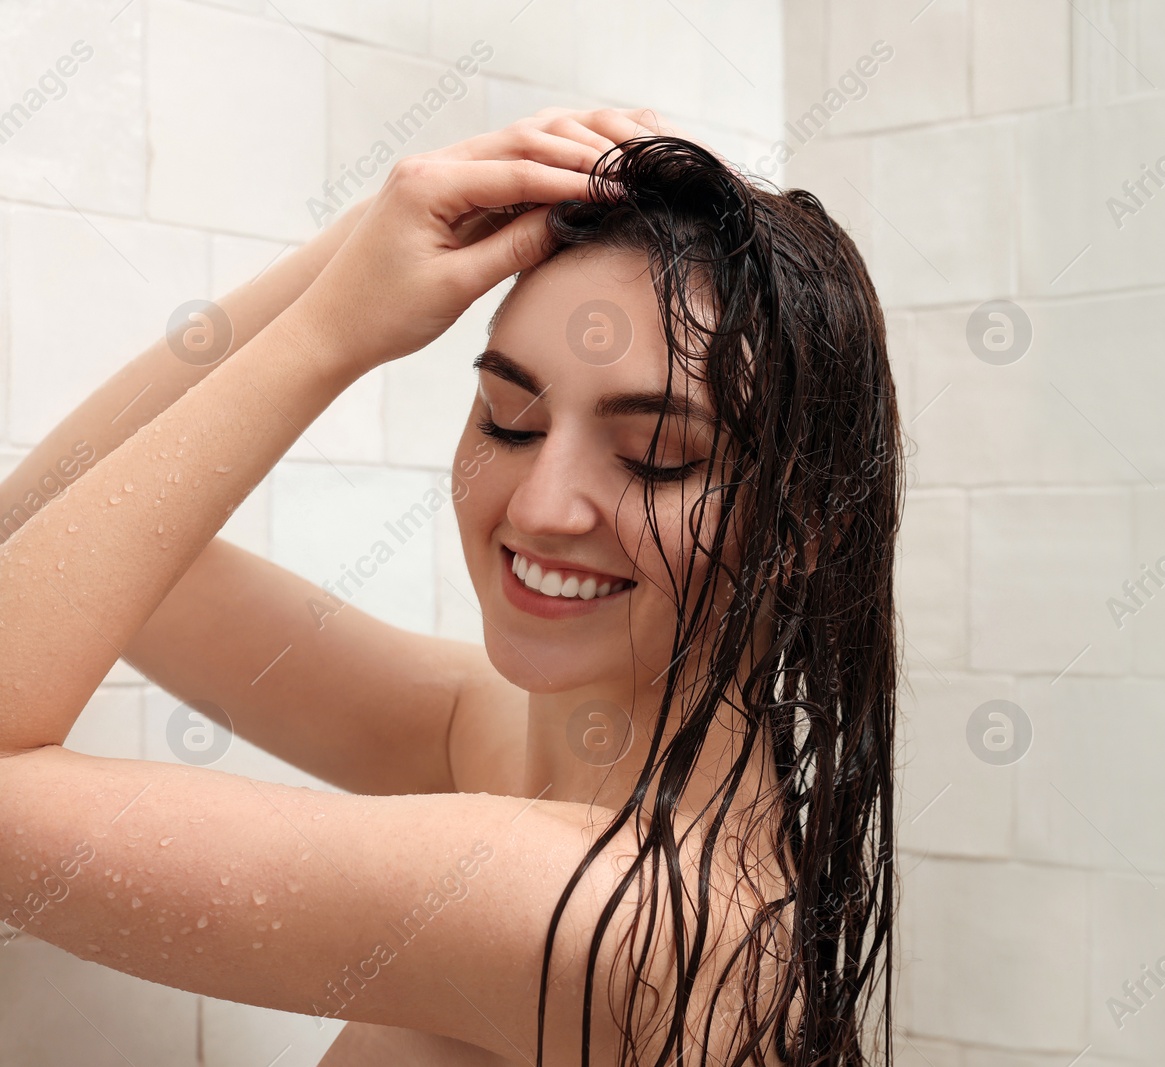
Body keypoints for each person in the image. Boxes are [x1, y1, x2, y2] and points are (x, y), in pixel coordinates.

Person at [0, 107, 902, 1066]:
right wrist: (350, 258)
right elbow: (42, 524)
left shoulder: (609, 916)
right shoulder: (499, 735)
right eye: (510, 420)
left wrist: (328, 335)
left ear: (807, 526)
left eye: (654, 456)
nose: (545, 506)